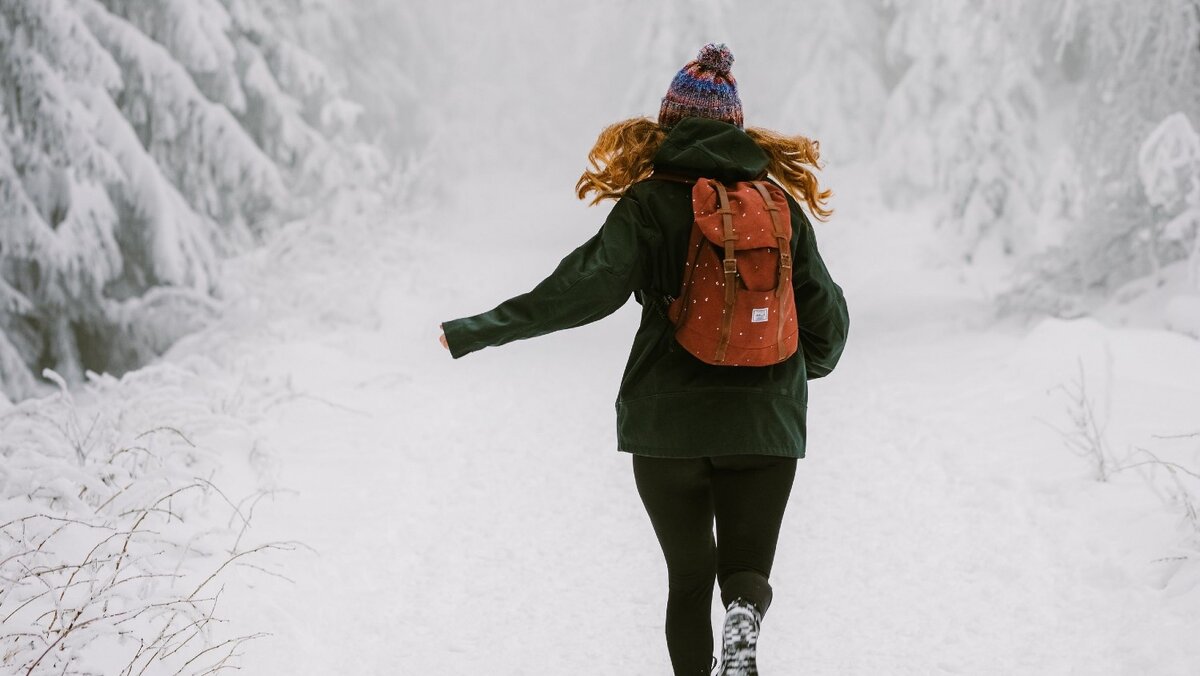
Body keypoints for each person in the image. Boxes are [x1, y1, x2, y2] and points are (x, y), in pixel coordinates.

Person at [438, 43, 849, 676]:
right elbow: (827, 323)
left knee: (688, 576)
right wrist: (786, 378)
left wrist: (478, 330)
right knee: (744, 570)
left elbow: (582, 289)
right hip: (766, 423)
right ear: (738, 128)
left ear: (667, 126)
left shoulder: (650, 204)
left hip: (667, 424)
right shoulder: (779, 208)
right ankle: (743, 616)